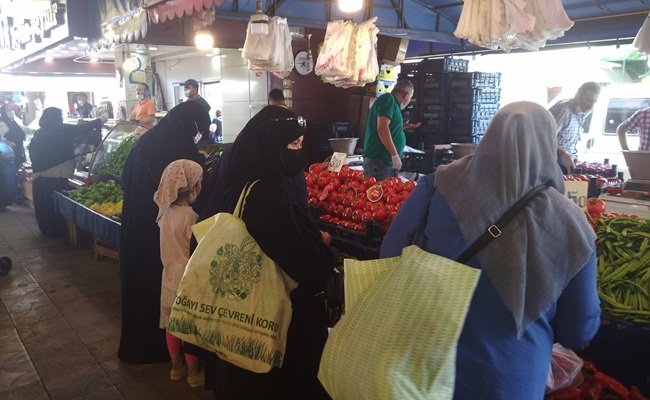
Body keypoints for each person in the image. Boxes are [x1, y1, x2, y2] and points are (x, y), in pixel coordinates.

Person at [380, 101, 601, 400]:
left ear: (489, 136)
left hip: (423, 368)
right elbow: (578, 331)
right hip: (511, 379)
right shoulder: (572, 223)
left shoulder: (437, 186)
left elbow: (389, 256)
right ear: (550, 144)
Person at [202, 105, 338, 399]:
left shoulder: (245, 180)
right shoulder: (266, 193)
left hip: (246, 315)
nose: (298, 151)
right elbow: (304, 264)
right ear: (270, 144)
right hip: (277, 323)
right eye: (293, 144)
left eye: (301, 143)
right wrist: (323, 249)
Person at [118, 101, 210, 365]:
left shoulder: (149, 140)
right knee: (160, 287)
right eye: (198, 130)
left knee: (143, 284)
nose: (198, 136)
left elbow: (125, 177)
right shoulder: (177, 148)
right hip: (159, 230)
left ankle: (143, 345)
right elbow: (197, 190)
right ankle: (163, 351)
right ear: (191, 125)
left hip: (139, 224)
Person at [154, 159, 205, 388]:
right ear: (193, 186)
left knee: (171, 326)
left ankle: (176, 367)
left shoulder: (165, 213)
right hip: (188, 282)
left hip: (168, 279)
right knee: (189, 328)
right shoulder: (191, 217)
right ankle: (194, 373)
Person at [27, 108, 107, 237]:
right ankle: (56, 230)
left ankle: (45, 228)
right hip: (55, 174)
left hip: (40, 174)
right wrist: (100, 120)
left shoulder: (40, 132)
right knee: (53, 204)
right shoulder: (60, 129)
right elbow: (81, 129)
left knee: (43, 202)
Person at [362, 80, 421, 180]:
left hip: (384, 163)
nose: (409, 101)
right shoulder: (388, 100)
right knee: (379, 190)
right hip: (379, 162)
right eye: (410, 97)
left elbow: (390, 129)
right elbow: (382, 129)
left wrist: (404, 127)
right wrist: (394, 155)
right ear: (406, 95)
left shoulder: (393, 104)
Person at [549, 81, 601, 173]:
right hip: (553, 163)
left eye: (595, 102)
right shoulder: (563, 110)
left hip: (565, 162)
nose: (591, 106)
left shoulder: (580, 112)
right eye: (588, 100)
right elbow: (545, 138)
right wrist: (564, 153)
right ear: (578, 95)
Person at [0, 103, 28, 176]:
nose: (11, 111)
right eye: (8, 110)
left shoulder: (14, 120)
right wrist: (8, 142)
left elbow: (23, 129)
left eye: (12, 109)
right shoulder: (2, 123)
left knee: (18, 165)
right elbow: (1, 137)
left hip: (18, 147)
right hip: (9, 151)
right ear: (3, 112)